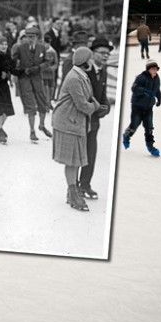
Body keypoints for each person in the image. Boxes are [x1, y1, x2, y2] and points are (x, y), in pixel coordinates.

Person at [51, 47, 101, 211]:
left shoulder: (81, 75)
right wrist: (95, 106)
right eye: (90, 59)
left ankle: (71, 193)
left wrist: (94, 104)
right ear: (85, 61)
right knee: (72, 161)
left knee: (76, 160)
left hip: (75, 123)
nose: (92, 62)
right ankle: (73, 195)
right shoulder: (74, 78)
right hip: (68, 123)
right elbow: (83, 105)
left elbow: (88, 98)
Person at [77, 38, 113, 200]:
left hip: (94, 121)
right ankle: (74, 186)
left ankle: (85, 184)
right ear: (93, 54)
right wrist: (98, 107)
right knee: (79, 154)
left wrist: (106, 107)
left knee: (91, 154)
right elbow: (82, 97)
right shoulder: (85, 71)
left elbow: (102, 95)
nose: (106, 56)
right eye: (102, 53)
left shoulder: (103, 70)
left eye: (108, 53)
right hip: (81, 119)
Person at [11, 26, 52, 142]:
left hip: (38, 78)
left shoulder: (42, 48)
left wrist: (39, 68)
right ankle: (32, 131)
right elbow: (13, 61)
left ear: (37, 37)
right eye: (28, 37)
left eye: (32, 37)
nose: (30, 39)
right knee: (30, 106)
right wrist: (19, 69)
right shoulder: (20, 48)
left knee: (42, 102)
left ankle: (42, 125)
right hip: (25, 79)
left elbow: (48, 61)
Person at [122, 59, 161, 157]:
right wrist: (144, 90)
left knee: (149, 127)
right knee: (135, 124)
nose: (155, 71)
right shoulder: (141, 77)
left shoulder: (157, 78)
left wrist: (159, 98)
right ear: (148, 69)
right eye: (153, 69)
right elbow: (134, 88)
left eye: (156, 69)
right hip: (137, 106)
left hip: (149, 106)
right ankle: (127, 135)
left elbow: (157, 89)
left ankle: (150, 146)